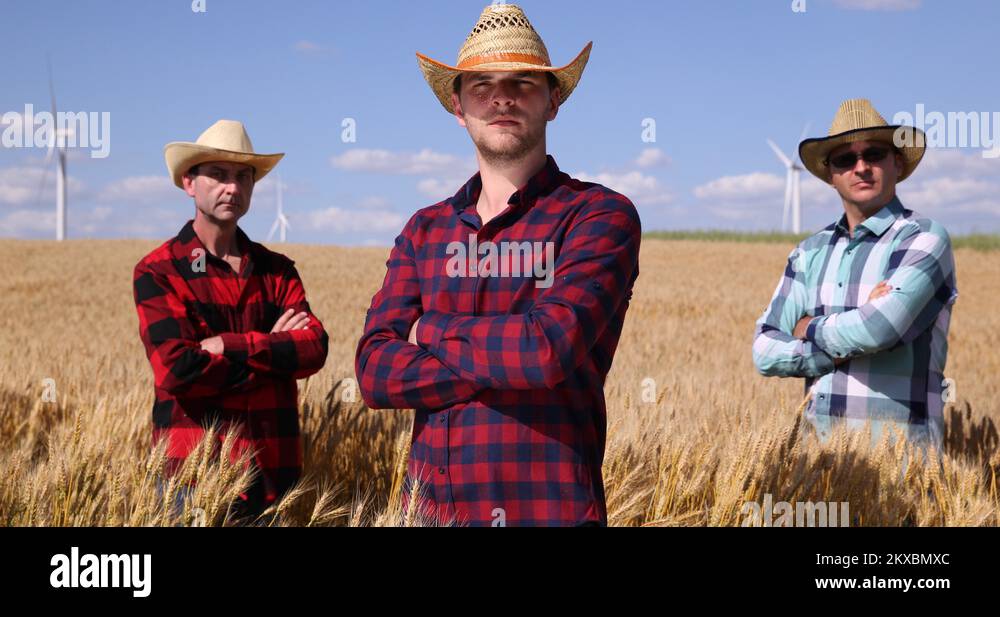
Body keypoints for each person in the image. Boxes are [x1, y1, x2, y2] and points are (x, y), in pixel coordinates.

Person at [355, 3, 641, 526]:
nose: (501, 97)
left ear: (554, 101)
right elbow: (374, 372)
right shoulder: (425, 229)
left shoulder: (599, 215)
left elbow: (546, 349)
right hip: (431, 515)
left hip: (549, 511)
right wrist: (509, 362)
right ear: (458, 106)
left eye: (523, 82)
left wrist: (428, 331)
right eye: (481, 85)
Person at [134, 119, 329, 521]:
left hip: (273, 476)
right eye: (219, 176)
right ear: (190, 183)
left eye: (244, 177)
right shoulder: (159, 272)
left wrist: (228, 346)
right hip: (192, 480)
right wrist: (273, 358)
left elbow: (314, 350)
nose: (234, 188)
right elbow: (178, 370)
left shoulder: (277, 271)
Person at [753, 99, 958, 452]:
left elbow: (879, 328)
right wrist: (843, 340)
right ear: (831, 176)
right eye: (845, 159)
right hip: (820, 469)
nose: (860, 167)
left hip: (903, 469)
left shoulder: (923, 237)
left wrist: (807, 327)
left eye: (874, 154)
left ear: (897, 162)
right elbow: (764, 351)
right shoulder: (808, 252)